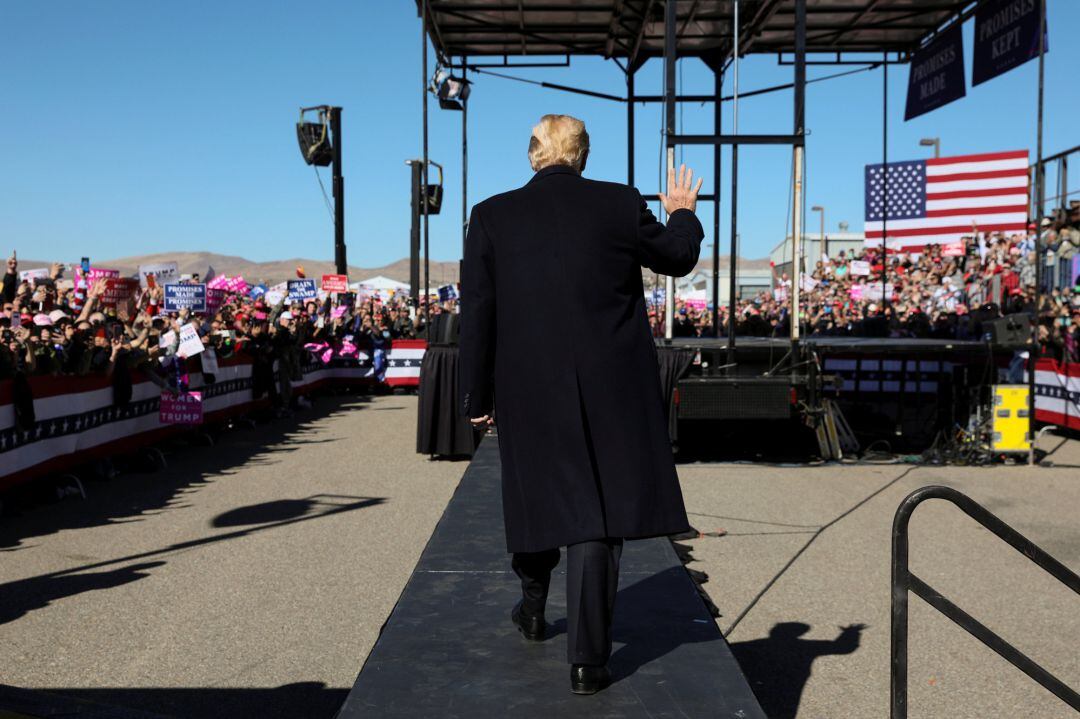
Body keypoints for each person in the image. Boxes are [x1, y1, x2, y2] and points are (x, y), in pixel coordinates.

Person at [458, 114, 704, 695]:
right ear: (584, 155)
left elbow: (480, 315)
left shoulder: (492, 215)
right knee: (596, 513)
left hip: (528, 387)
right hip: (612, 386)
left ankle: (535, 605)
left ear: (532, 154)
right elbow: (677, 255)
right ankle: (588, 662)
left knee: (537, 497)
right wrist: (682, 210)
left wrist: (478, 393)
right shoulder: (620, 203)